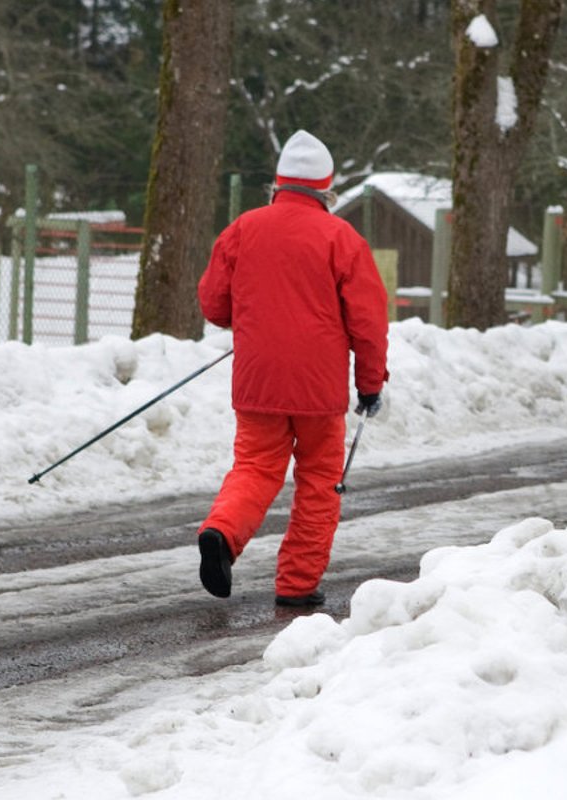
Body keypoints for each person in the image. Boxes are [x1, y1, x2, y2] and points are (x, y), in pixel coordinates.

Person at [195, 129, 389, 607]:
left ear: (278, 184)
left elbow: (214, 305)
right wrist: (369, 386)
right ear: (327, 188)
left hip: (257, 379)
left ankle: (221, 532)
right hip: (318, 390)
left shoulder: (243, 228)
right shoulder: (342, 238)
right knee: (320, 481)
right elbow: (367, 323)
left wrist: (255, 320)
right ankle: (297, 585)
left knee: (256, 466)